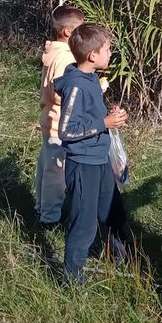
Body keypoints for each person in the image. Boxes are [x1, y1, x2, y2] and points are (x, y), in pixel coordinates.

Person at [53, 23, 129, 282]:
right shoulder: (76, 85)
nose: (110, 53)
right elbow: (67, 130)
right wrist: (103, 123)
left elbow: (89, 115)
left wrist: (109, 115)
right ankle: (72, 278)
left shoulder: (92, 79)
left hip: (99, 159)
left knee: (113, 212)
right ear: (92, 55)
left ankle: (120, 258)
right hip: (83, 163)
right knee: (84, 223)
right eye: (107, 49)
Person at [37, 4, 85, 226]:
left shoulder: (53, 51)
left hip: (49, 120)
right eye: (80, 29)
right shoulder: (65, 58)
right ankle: (50, 218)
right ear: (67, 32)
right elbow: (59, 92)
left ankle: (41, 208)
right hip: (59, 123)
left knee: (46, 169)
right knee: (56, 175)